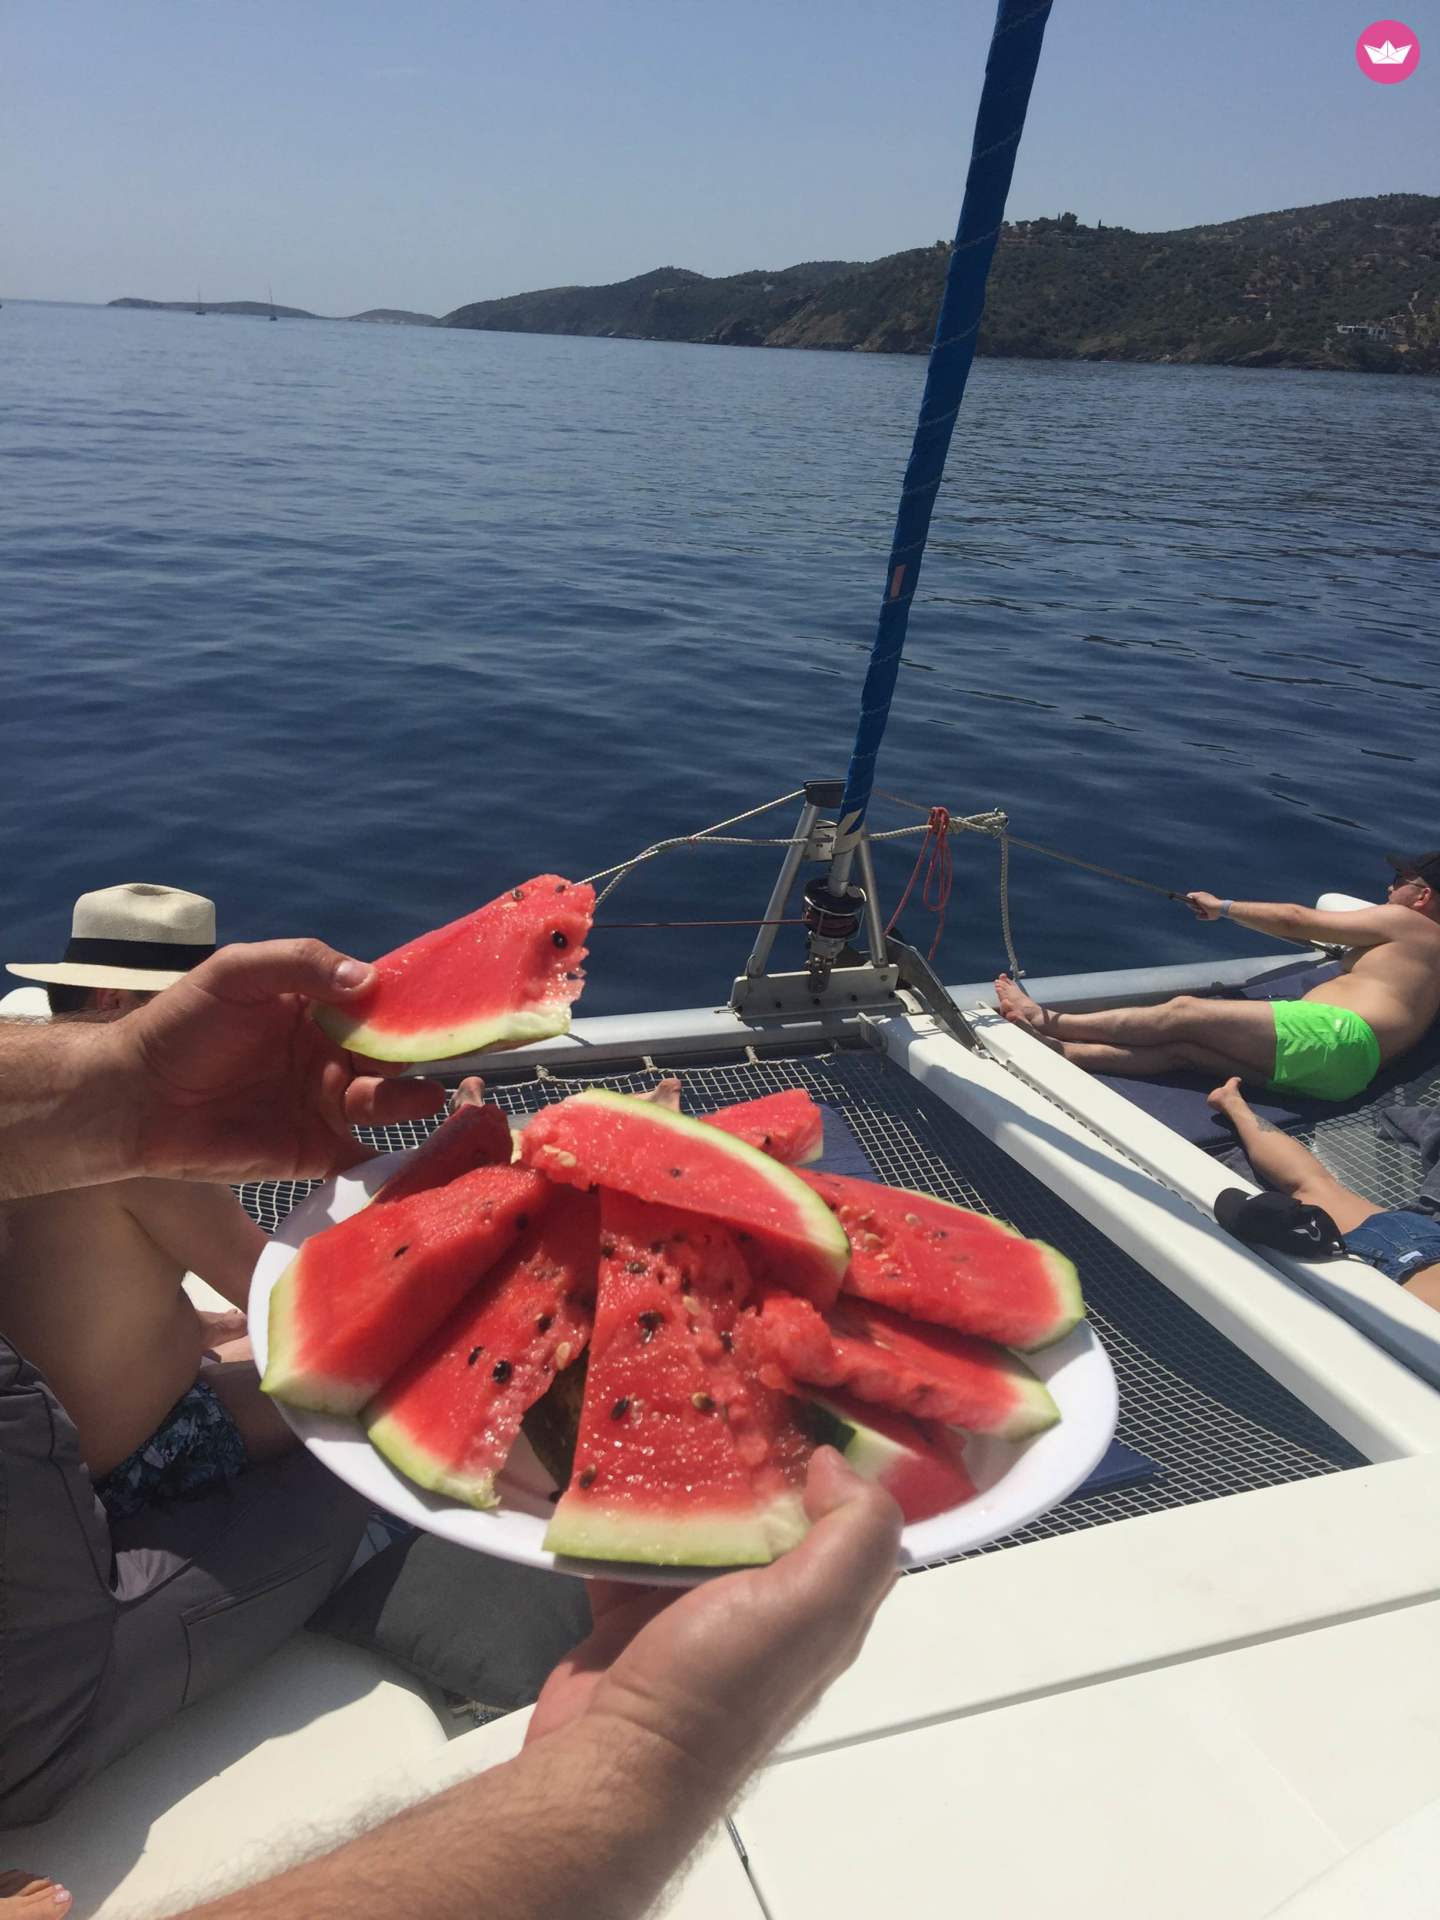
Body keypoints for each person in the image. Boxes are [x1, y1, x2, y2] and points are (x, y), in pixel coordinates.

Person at [0, 940, 901, 1917]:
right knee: (367, 1446)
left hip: (72, 1452)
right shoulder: (118, 1161)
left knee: (305, 1367)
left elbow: (282, 1317)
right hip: (53, 1663)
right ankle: (570, 1316)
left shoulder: (72, 1141)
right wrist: (654, 1749)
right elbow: (314, 1308)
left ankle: (588, 1264)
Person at [2, 886, 291, 1517]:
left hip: (31, 1441)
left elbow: (74, 1278)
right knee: (348, 1406)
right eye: (198, 1009)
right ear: (117, 1002)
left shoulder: (18, 1107)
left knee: (237, 1341)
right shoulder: (137, 1145)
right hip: (118, 1469)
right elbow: (295, 1308)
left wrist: (193, 1327)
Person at [994, 849, 1440, 1101]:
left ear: (1423, 897)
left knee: (1184, 1013)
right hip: (1347, 1077)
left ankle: (1048, 1021)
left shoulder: (1408, 923)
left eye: (1400, 878)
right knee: (1185, 1051)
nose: (1388, 887)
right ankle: (1068, 1051)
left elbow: (1295, 918)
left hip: (1334, 1036)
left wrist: (1222, 907)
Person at [1209, 1076, 1440, 1313]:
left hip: (1412, 1263)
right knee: (1315, 1187)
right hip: (1408, 1264)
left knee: (1316, 1185)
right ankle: (1232, 1103)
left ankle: (1233, 1104)